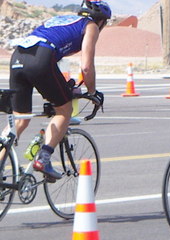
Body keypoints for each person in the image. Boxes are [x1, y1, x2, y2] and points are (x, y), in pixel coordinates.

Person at [8, 0, 110, 180]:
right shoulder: (91, 26)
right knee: (64, 110)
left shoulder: (63, 19)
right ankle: (44, 158)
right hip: (41, 58)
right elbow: (86, 67)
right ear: (101, 21)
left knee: (20, 119)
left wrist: (65, 86)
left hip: (18, 57)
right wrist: (92, 92)